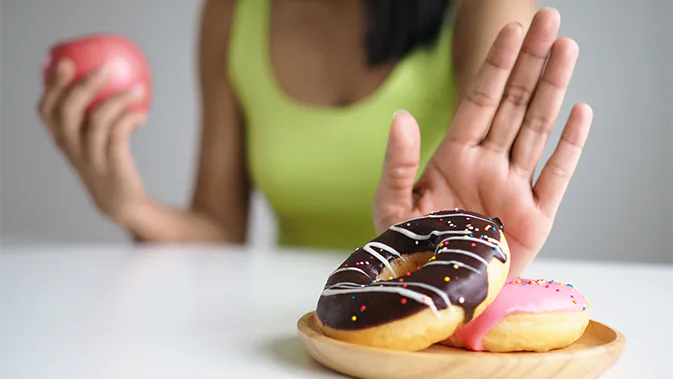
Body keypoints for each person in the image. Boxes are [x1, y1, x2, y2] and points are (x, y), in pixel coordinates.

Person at [37, 0, 592, 277]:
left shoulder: (483, 9)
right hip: (287, 336)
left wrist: (454, 248)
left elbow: (491, 203)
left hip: (434, 317)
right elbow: (219, 228)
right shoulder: (233, 11)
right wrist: (128, 204)